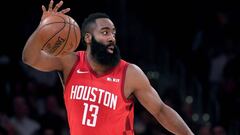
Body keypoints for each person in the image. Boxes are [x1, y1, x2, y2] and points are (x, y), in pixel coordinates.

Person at [22, 0, 194, 134]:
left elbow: (160, 110)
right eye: (105, 32)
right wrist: (43, 27)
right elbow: (30, 58)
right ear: (88, 38)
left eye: (113, 32)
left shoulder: (130, 73)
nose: (112, 37)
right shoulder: (70, 62)